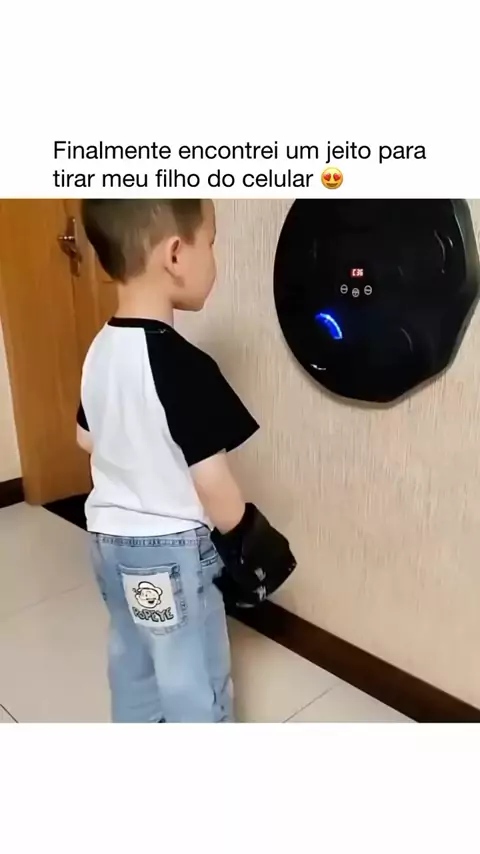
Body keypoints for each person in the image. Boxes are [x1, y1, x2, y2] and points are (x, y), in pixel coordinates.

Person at [76, 199, 294, 724]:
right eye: (210, 243)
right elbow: (212, 481)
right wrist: (251, 544)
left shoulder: (99, 349)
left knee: (132, 660)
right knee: (191, 675)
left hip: (107, 543)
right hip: (170, 550)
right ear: (175, 254)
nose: (214, 257)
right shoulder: (183, 365)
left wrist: (136, 458)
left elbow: (85, 439)